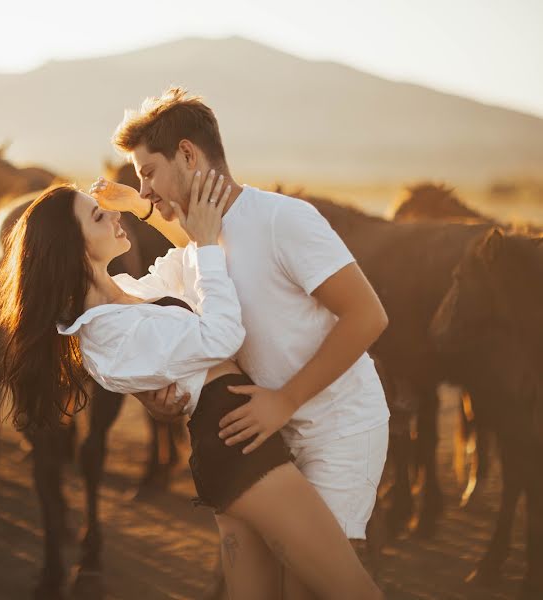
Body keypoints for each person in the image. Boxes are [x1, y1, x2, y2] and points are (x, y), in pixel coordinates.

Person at [0, 174, 383, 598]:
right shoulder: (107, 332)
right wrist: (209, 241)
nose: (114, 216)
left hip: (233, 442)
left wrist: (143, 208)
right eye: (100, 216)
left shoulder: (127, 297)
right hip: (237, 446)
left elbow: (188, 259)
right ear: (74, 249)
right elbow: (222, 336)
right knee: (354, 591)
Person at [90, 86, 391, 599]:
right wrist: (159, 396)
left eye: (147, 172)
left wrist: (285, 401)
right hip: (265, 432)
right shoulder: (197, 246)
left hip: (338, 426)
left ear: (187, 153)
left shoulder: (283, 220)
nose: (144, 189)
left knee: (311, 589)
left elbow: (368, 316)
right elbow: (160, 306)